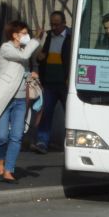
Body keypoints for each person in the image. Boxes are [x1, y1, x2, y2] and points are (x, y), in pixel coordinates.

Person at [0, 20, 40, 184]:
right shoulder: (7, 48)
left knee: (17, 136)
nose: (27, 36)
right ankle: (0, 162)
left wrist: (31, 75)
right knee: (2, 136)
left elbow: (22, 69)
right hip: (5, 100)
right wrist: (36, 40)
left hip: (20, 101)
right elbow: (23, 56)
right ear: (15, 35)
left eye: (28, 33)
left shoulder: (23, 50)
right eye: (24, 33)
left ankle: (9, 170)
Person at [31, 10, 71, 153]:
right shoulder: (49, 36)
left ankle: (70, 142)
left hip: (65, 83)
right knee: (46, 112)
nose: (53, 28)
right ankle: (42, 141)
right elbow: (42, 56)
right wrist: (39, 58)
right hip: (49, 82)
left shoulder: (70, 37)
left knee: (71, 113)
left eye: (57, 25)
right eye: (52, 24)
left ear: (64, 23)